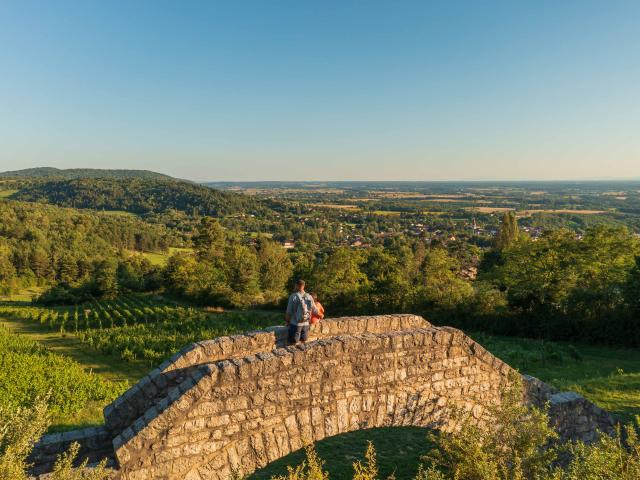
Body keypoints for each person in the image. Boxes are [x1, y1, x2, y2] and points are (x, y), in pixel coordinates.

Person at [285, 279, 319, 344]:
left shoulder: (293, 296)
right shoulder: (309, 296)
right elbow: (315, 311)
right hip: (306, 323)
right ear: (304, 286)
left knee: (293, 343)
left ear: (296, 285)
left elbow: (288, 312)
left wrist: (287, 322)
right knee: (303, 342)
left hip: (295, 324)